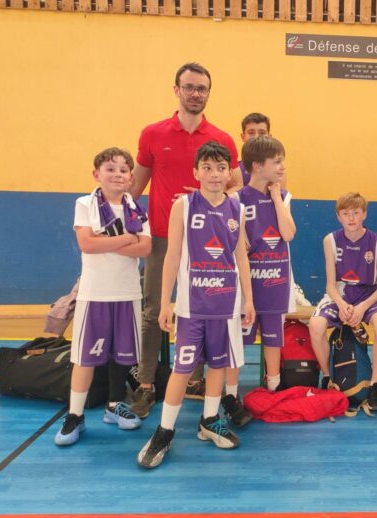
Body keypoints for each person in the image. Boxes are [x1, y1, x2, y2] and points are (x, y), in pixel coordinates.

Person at [129, 63, 241, 419]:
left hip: (207, 244)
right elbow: (135, 187)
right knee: (154, 311)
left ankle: (193, 380)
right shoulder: (152, 134)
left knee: (204, 313)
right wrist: (123, 228)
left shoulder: (222, 140)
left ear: (209, 93)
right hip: (164, 238)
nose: (195, 93)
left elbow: (236, 185)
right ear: (176, 89)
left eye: (202, 88)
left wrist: (205, 197)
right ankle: (146, 384)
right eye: (189, 87)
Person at [137, 141, 254, 469]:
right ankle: (165, 431)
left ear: (229, 173)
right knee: (183, 369)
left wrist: (249, 299)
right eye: (207, 168)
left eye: (221, 168)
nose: (214, 174)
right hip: (192, 308)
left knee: (218, 365)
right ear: (196, 172)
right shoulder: (184, 206)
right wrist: (166, 302)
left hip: (226, 306)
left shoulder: (237, 209)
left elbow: (241, 257)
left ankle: (209, 420)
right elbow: (172, 256)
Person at [55, 148, 151, 446]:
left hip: (127, 293)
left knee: (122, 356)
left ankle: (114, 405)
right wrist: (126, 239)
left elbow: (145, 248)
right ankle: (75, 414)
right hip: (94, 294)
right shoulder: (85, 204)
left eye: (123, 170)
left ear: (131, 177)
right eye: (110, 169)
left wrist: (106, 241)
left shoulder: (137, 209)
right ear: (97, 174)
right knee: (85, 358)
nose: (117, 175)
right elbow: (87, 243)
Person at [309, 192, 377, 412]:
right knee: (315, 325)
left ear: (364, 214)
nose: (351, 218)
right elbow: (330, 285)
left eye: (356, 212)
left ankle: (375, 384)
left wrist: (362, 307)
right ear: (338, 216)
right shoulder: (330, 240)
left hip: (368, 295)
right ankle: (328, 378)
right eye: (345, 213)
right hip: (340, 294)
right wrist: (341, 303)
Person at [239, 135, 296, 392]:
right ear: (257, 166)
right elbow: (239, 245)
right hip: (248, 285)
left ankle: (273, 388)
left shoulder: (283, 196)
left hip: (276, 281)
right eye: (277, 162)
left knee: (273, 340)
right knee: (240, 340)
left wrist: (276, 198)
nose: (283, 167)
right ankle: (231, 392)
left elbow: (288, 234)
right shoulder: (237, 199)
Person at [237, 112, 270, 187]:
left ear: (269, 137)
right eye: (251, 133)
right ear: (243, 137)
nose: (256, 137)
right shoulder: (235, 168)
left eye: (262, 133)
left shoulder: (276, 168)